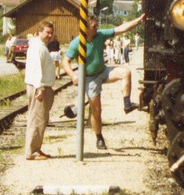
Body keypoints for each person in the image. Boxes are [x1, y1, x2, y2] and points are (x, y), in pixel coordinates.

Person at [61, 12, 145, 150]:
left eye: (96, 25)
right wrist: (72, 75)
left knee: (126, 72)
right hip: (90, 78)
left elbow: (121, 29)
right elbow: (66, 61)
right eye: (94, 26)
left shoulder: (100, 35)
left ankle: (127, 104)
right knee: (97, 110)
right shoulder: (77, 43)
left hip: (103, 71)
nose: (96, 28)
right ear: (85, 28)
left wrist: (138, 21)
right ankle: (99, 137)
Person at [24, 21, 57, 160]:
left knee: (41, 119)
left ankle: (36, 148)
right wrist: (40, 87)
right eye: (46, 32)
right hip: (39, 87)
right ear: (39, 32)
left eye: (51, 33)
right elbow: (36, 68)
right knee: (36, 119)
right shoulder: (37, 47)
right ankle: (31, 152)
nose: (49, 35)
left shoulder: (41, 46)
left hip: (42, 86)